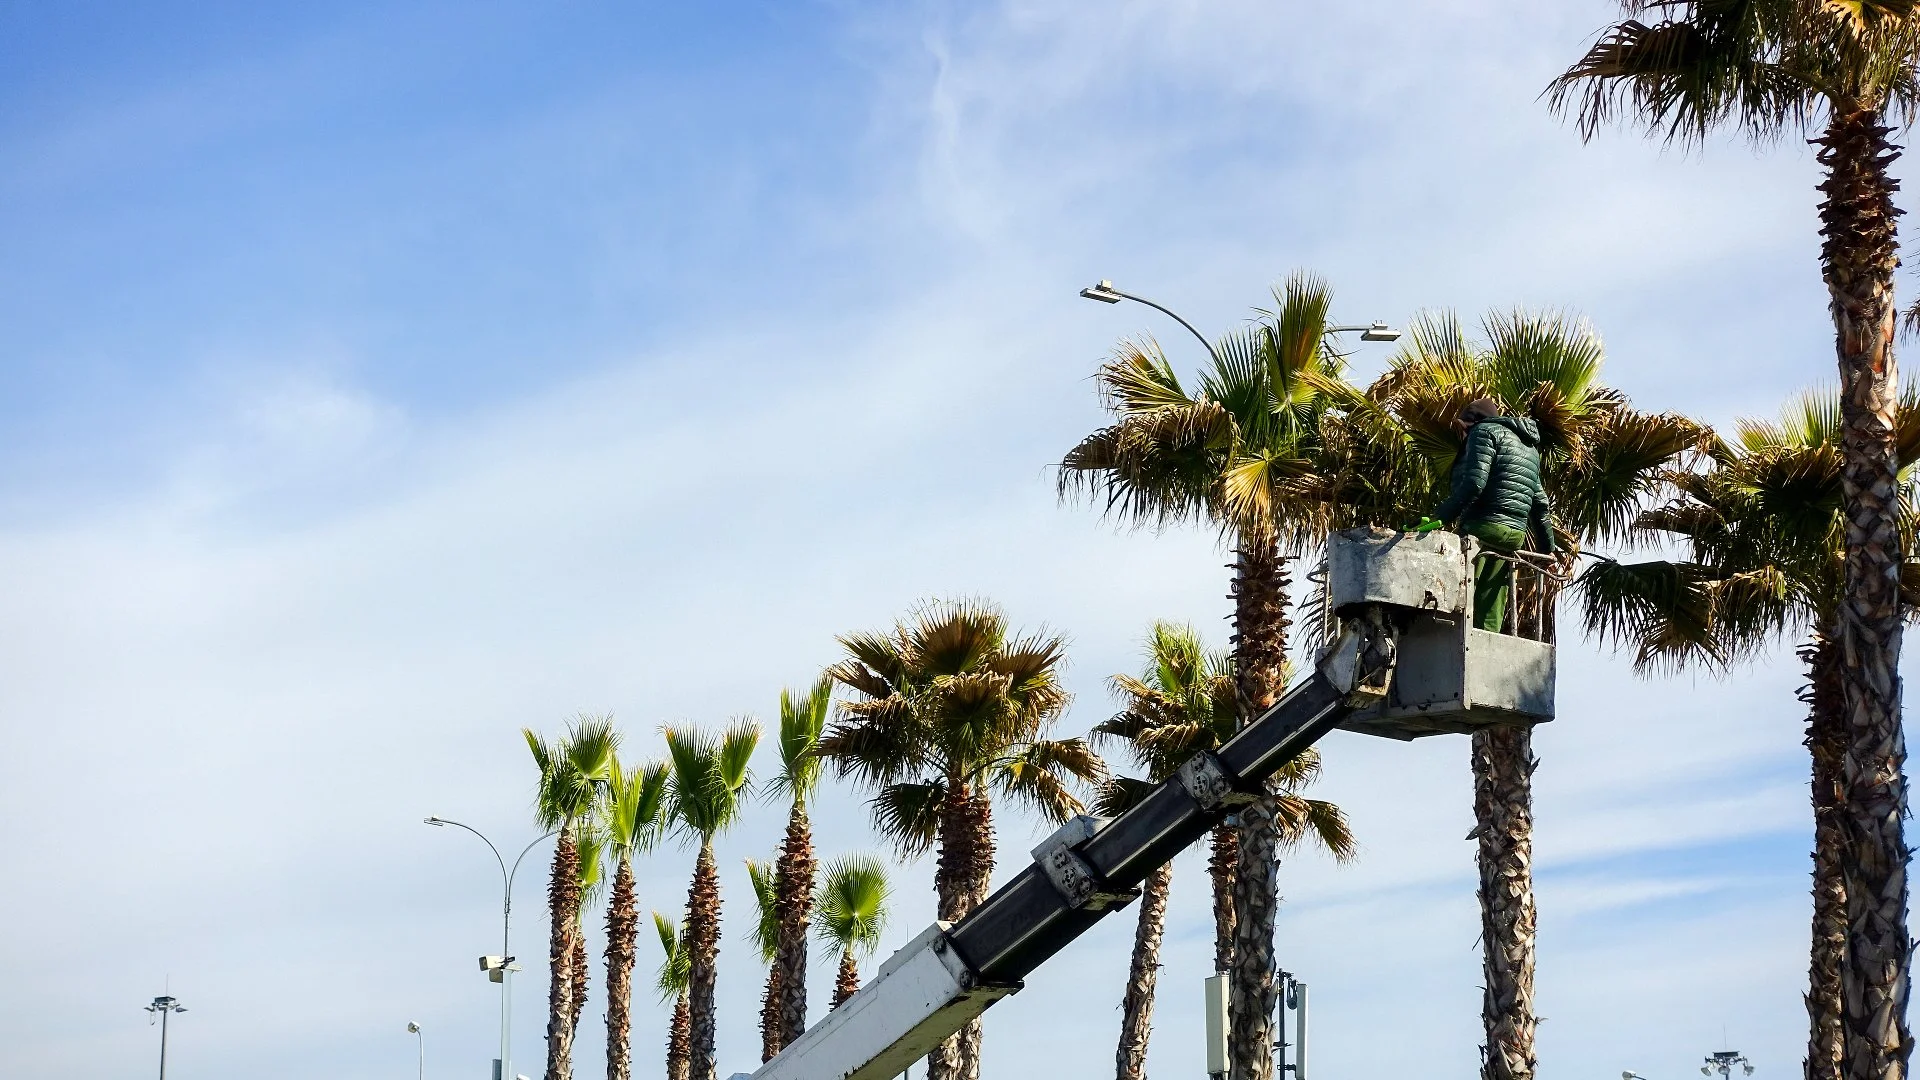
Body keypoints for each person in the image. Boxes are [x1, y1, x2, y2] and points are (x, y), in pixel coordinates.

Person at [1416, 397, 1559, 633]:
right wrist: (1547, 550)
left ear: (1470, 424)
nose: (1462, 435)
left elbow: (1474, 484)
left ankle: (1455, 634)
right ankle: (1487, 637)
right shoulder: (1529, 448)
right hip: (1514, 534)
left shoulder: (1483, 433)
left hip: (1482, 526)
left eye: (1462, 428)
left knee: (1464, 587)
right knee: (1493, 593)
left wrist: (1439, 517)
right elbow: (1540, 503)